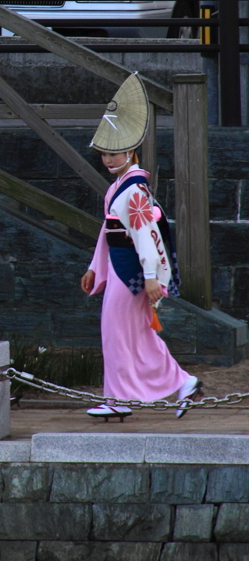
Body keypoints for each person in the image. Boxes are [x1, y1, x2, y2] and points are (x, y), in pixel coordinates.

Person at [81, 74, 200, 420]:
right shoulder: (120, 186)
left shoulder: (133, 190)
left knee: (118, 333)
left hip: (131, 272)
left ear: (130, 152)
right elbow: (109, 230)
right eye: (104, 153)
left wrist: (150, 277)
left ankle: (119, 398)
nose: (107, 159)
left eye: (114, 153)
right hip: (122, 269)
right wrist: (94, 267)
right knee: (132, 335)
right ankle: (182, 382)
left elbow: (146, 235)